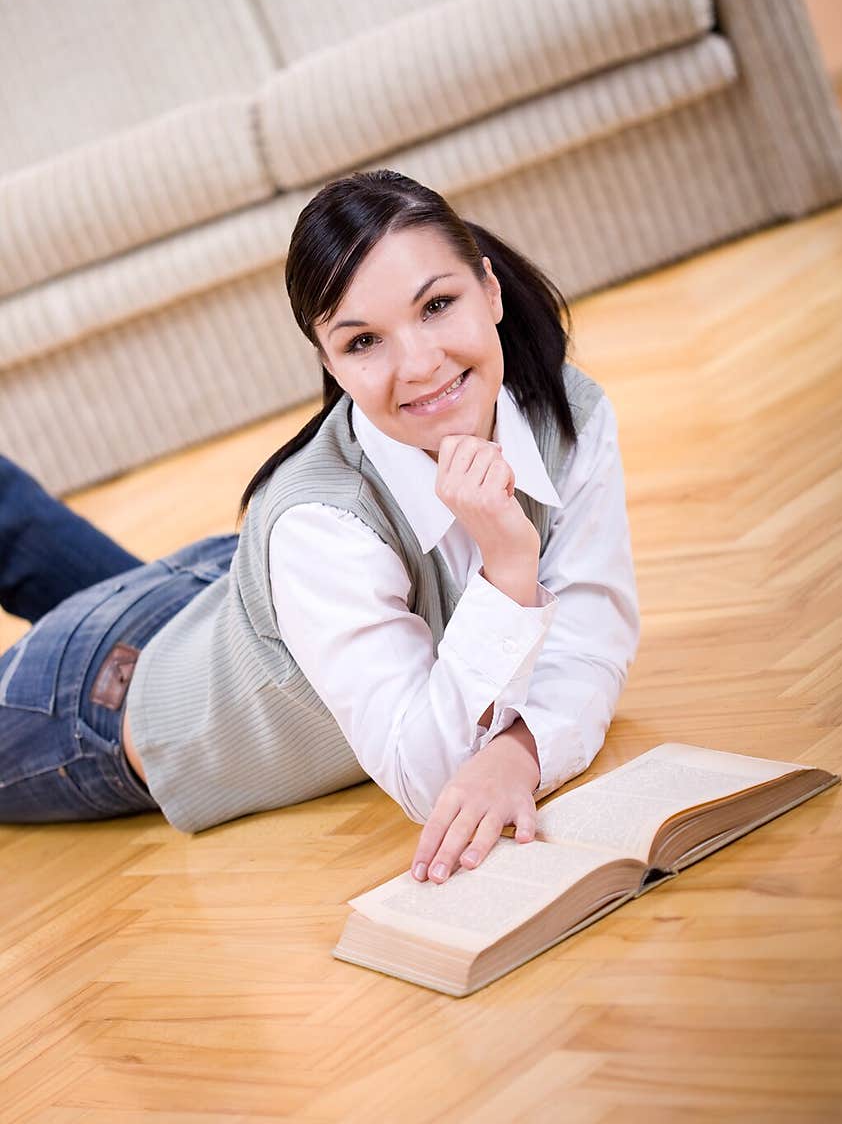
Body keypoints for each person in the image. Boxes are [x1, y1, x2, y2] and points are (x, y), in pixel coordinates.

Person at [0, 168, 640, 886]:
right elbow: (431, 776)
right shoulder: (316, 524)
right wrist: (507, 566)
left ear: (489, 291)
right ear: (329, 360)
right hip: (103, 698)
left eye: (437, 304)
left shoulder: (571, 415)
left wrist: (517, 753)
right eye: (364, 341)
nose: (421, 364)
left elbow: (594, 633)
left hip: (233, 596)